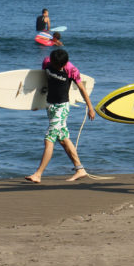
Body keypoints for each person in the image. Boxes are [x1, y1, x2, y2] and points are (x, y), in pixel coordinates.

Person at [25, 48, 94, 184]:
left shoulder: (71, 70)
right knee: (63, 139)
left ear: (64, 64)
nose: (56, 67)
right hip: (50, 105)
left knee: (49, 138)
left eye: (58, 66)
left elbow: (81, 89)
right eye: (54, 65)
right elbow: (42, 83)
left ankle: (38, 174)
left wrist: (90, 107)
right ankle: (80, 169)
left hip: (62, 107)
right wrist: (36, 103)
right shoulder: (47, 63)